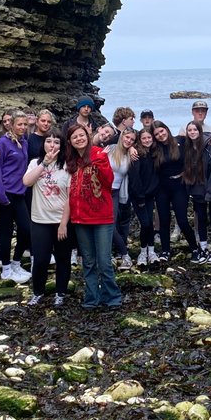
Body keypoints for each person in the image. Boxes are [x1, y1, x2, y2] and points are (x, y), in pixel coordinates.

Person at [66, 123, 121, 308]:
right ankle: (92, 297)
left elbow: (109, 181)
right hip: (80, 219)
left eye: (81, 136)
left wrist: (100, 164)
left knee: (104, 261)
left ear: (88, 137)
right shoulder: (71, 161)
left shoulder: (98, 153)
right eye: (75, 137)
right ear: (70, 142)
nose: (79, 139)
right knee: (88, 262)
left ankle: (112, 296)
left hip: (101, 218)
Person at [22, 130, 73, 306]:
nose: (52, 145)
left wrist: (63, 224)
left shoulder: (67, 166)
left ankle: (60, 293)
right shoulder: (35, 163)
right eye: (49, 141)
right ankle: (38, 292)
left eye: (56, 142)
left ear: (62, 145)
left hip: (61, 220)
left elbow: (69, 197)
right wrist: (44, 163)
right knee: (41, 259)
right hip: (39, 220)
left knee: (63, 258)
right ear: (43, 144)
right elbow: (26, 182)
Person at [0, 111, 32, 283]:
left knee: (26, 229)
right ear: (11, 125)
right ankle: (6, 269)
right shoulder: (3, 143)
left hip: (19, 193)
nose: (22, 127)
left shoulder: (24, 143)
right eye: (19, 124)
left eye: (25, 124)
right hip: (5, 193)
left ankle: (16, 262)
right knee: (6, 231)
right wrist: (0, 194)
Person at [152, 121, 199, 263]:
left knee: (182, 220)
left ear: (166, 129)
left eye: (161, 131)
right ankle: (165, 250)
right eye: (157, 134)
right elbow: (139, 144)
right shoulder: (154, 149)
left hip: (179, 185)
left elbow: (198, 139)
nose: (160, 135)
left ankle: (195, 248)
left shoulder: (180, 141)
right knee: (164, 220)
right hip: (162, 187)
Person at [182, 121, 211, 264]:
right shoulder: (187, 148)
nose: (192, 132)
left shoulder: (209, 145)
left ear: (200, 131)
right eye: (189, 130)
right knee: (201, 218)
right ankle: (203, 247)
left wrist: (210, 191)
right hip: (196, 188)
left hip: (210, 187)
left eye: (194, 130)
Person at [128, 127, 160, 267]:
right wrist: (140, 198)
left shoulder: (154, 153)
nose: (147, 140)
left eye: (149, 138)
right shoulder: (137, 155)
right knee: (145, 223)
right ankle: (142, 251)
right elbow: (135, 179)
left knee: (150, 224)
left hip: (150, 195)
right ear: (139, 141)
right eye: (144, 138)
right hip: (138, 196)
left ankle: (151, 251)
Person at [107, 126, 137, 269]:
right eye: (127, 137)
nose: (128, 141)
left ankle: (123, 255)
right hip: (102, 191)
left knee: (111, 225)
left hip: (115, 192)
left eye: (132, 139)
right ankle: (116, 254)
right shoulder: (110, 149)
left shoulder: (130, 155)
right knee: (106, 225)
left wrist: (131, 149)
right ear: (121, 136)